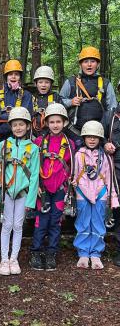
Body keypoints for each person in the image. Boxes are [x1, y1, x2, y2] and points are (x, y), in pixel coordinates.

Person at [0, 107, 39, 276]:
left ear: (27, 126)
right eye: (15, 125)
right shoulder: (4, 145)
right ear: (11, 127)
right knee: (7, 225)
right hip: (7, 193)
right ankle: (4, 259)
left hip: (23, 194)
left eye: (21, 124)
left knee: (18, 226)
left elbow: (34, 176)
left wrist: (30, 201)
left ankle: (14, 258)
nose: (18, 128)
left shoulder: (33, 149)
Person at [29, 103, 75, 271]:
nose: (55, 125)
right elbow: (34, 166)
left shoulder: (69, 144)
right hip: (43, 189)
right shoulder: (40, 142)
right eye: (52, 122)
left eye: (58, 121)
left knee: (55, 222)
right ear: (46, 123)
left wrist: (69, 187)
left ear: (64, 123)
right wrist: (36, 186)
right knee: (41, 222)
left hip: (59, 190)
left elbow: (72, 167)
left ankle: (51, 253)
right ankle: (36, 251)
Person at [72, 120, 119, 269]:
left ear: (100, 138)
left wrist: (113, 198)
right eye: (89, 136)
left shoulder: (105, 157)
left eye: (95, 137)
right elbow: (74, 175)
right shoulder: (79, 155)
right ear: (84, 137)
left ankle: (96, 254)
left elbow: (110, 179)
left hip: (100, 193)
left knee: (98, 224)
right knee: (83, 223)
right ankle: (83, 253)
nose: (92, 140)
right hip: (82, 193)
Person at [60, 46, 116, 147]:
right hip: (74, 132)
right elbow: (58, 103)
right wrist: (71, 102)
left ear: (98, 64)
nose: (89, 65)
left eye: (92, 61)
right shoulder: (71, 82)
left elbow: (112, 109)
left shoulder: (105, 83)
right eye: (85, 61)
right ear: (81, 64)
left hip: (99, 135)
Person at [0, 60, 33, 145]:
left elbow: (26, 114)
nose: (13, 77)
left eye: (16, 74)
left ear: (20, 77)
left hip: (20, 136)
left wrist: (1, 116)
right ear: (6, 77)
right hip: (0, 138)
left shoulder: (26, 95)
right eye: (10, 74)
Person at [103, 87, 120, 267]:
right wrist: (106, 143)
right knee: (118, 208)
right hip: (115, 167)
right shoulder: (110, 116)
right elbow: (99, 136)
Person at [31, 66, 63, 138]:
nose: (43, 85)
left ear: (51, 84)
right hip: (34, 134)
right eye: (40, 82)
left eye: (47, 82)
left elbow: (62, 115)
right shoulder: (32, 98)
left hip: (52, 133)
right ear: (36, 84)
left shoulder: (56, 97)